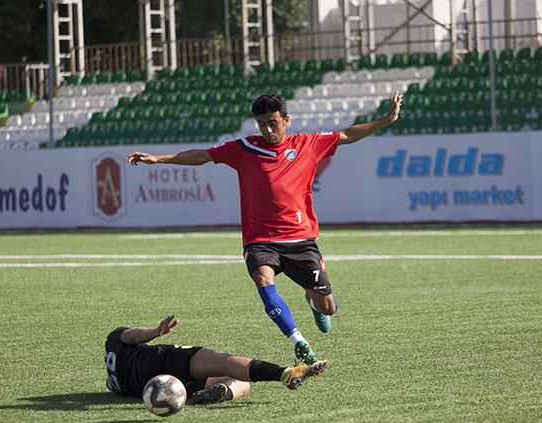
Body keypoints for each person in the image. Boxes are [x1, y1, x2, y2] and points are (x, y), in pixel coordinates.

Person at [128, 91, 403, 363]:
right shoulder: (245, 148)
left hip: (300, 239)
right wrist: (158, 158)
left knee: (328, 307)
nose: (268, 129)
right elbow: (203, 155)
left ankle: (313, 301)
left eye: (273, 123)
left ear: (286, 120)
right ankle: (299, 341)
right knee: (263, 279)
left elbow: (347, 135)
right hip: (260, 239)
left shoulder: (308, 144)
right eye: (262, 124)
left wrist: (387, 119)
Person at [105, 314, 328, 405]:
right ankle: (285, 373)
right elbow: (133, 335)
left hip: (154, 389)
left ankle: (220, 391)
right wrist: (155, 332)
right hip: (155, 362)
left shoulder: (113, 383)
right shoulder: (113, 338)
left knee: (241, 382)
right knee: (222, 361)